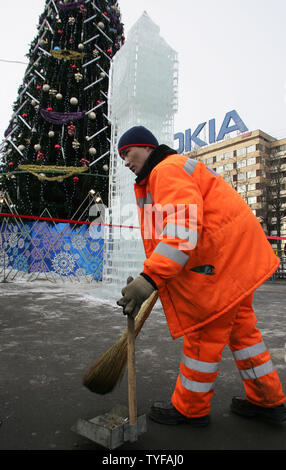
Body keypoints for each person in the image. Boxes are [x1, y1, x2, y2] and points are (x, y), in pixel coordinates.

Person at [116, 125, 286, 427]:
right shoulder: (167, 171)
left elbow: (181, 230)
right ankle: (267, 400)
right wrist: (155, 274)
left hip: (222, 262)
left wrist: (150, 277)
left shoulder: (165, 171)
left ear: (147, 146)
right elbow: (174, 231)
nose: (126, 162)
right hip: (235, 259)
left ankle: (190, 408)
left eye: (128, 153)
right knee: (243, 333)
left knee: (203, 332)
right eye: (122, 157)